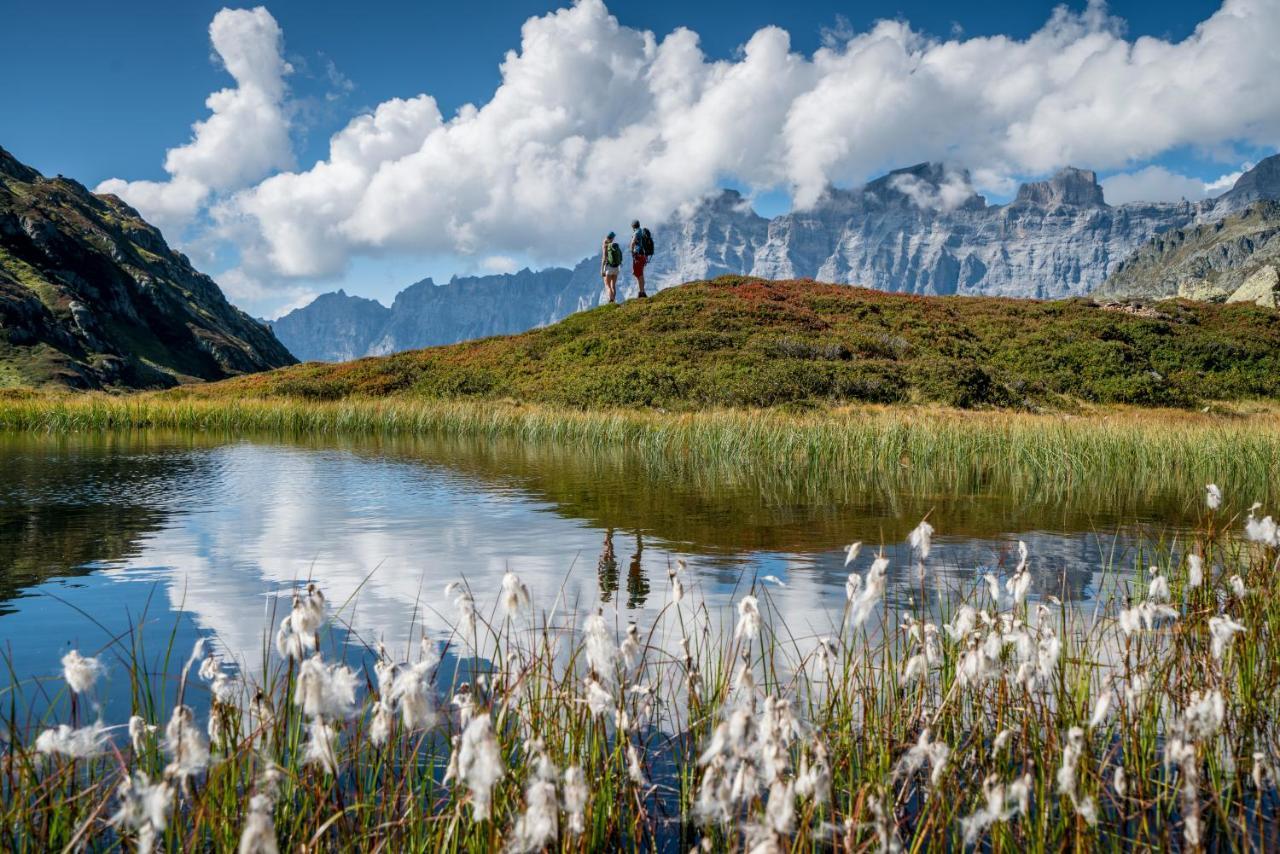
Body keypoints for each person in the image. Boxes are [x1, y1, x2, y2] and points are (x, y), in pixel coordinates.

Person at [629, 219, 654, 298]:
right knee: (640, 274)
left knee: (639, 274)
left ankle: (642, 292)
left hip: (638, 255)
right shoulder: (642, 231)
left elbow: (633, 242)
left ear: (633, 226)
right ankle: (641, 291)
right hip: (644, 256)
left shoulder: (637, 232)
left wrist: (631, 250)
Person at [601, 232, 622, 303]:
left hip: (608, 267)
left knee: (607, 285)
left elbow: (604, 258)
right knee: (613, 285)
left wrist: (602, 270)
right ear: (612, 238)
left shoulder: (605, 245)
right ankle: (614, 300)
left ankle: (611, 301)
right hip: (616, 267)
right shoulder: (614, 246)